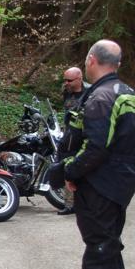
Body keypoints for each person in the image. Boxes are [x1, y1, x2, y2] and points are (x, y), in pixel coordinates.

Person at [62, 40, 135, 269]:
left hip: (102, 185)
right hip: (118, 181)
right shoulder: (126, 92)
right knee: (108, 249)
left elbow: (95, 147)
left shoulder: (101, 97)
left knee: (98, 254)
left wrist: (70, 172)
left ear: (91, 60)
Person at [58, 67, 89, 215]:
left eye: (69, 80)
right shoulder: (66, 91)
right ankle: (69, 205)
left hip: (86, 134)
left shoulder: (91, 92)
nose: (66, 83)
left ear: (79, 78)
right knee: (67, 165)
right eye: (65, 80)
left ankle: (87, 203)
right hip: (69, 135)